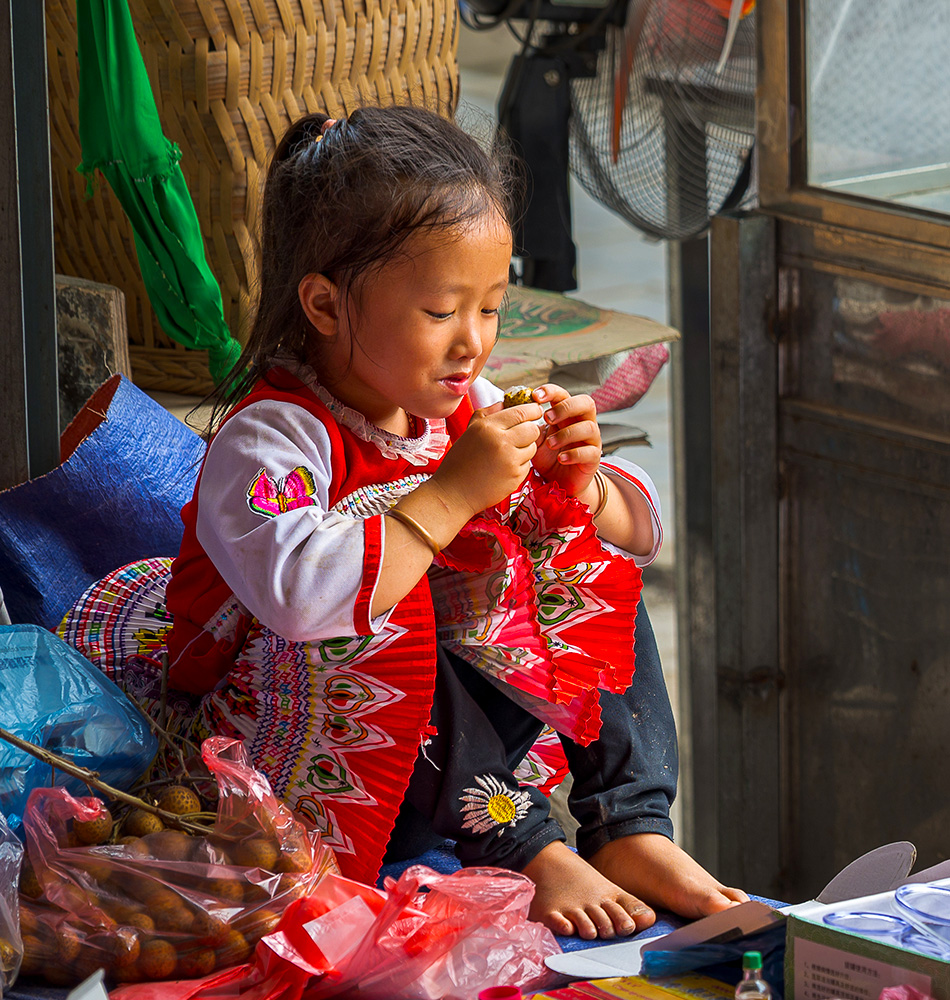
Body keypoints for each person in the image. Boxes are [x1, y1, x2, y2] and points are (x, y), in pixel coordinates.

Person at [162, 105, 748, 939]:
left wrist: (582, 489)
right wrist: (451, 496)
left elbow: (638, 532)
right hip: (304, 757)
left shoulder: (457, 406)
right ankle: (525, 844)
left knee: (577, 556)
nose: (473, 344)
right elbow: (303, 598)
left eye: (492, 309)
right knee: (401, 589)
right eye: (442, 313)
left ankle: (630, 823)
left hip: (434, 762)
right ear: (326, 307)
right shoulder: (271, 440)